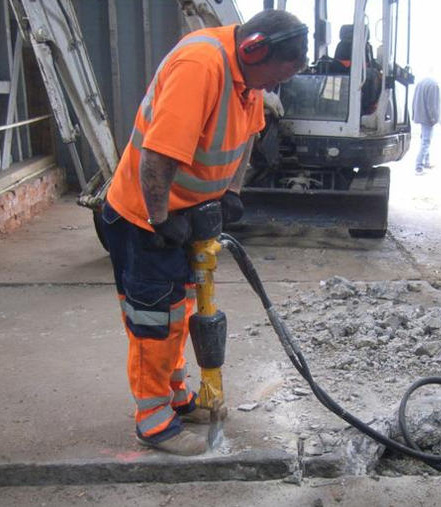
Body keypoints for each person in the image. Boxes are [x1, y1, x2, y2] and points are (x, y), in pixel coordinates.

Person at [100, 10, 308, 456]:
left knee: (179, 313)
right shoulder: (201, 66)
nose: (271, 89)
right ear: (253, 49)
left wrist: (231, 190)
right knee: (155, 321)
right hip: (144, 219)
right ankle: (153, 421)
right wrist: (160, 219)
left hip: (185, 215)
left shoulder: (246, 78)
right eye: (273, 78)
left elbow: (251, 132)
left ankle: (174, 395)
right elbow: (157, 155)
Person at [411, 76, 440, 175]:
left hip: (420, 115)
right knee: (426, 141)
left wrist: (414, 114)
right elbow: (432, 105)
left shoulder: (421, 83)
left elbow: (414, 100)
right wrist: (434, 118)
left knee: (424, 139)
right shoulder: (434, 85)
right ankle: (418, 167)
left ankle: (426, 162)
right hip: (427, 118)